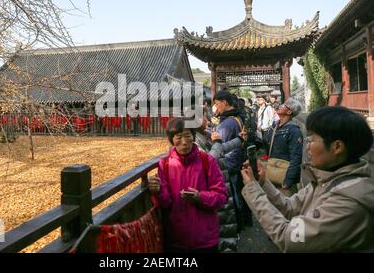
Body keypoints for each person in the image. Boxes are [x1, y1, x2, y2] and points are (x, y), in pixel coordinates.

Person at [241, 106, 374, 252]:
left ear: (337, 147)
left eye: (312, 139)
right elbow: (289, 207)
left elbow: (289, 238)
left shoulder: (348, 202)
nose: (307, 147)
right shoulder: (327, 178)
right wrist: (263, 183)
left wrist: (253, 191)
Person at [148, 117, 228, 252]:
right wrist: (158, 190)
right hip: (176, 239)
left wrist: (200, 197)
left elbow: (222, 196)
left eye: (187, 136)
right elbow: (166, 202)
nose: (184, 142)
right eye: (178, 137)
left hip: (205, 239)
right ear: (171, 139)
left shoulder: (207, 161)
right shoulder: (165, 164)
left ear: (193, 136)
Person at [211, 90, 252, 230]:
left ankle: (237, 226)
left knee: (232, 197)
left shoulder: (227, 123)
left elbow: (220, 147)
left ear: (225, 102)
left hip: (229, 164)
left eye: (217, 104)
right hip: (238, 161)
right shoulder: (238, 117)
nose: (216, 108)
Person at [263, 98, 303, 196]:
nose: (280, 106)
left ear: (289, 111)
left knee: (286, 207)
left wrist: (289, 180)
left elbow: (296, 157)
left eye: (284, 105)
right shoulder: (275, 126)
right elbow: (265, 142)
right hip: (272, 172)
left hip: (284, 177)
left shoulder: (294, 131)